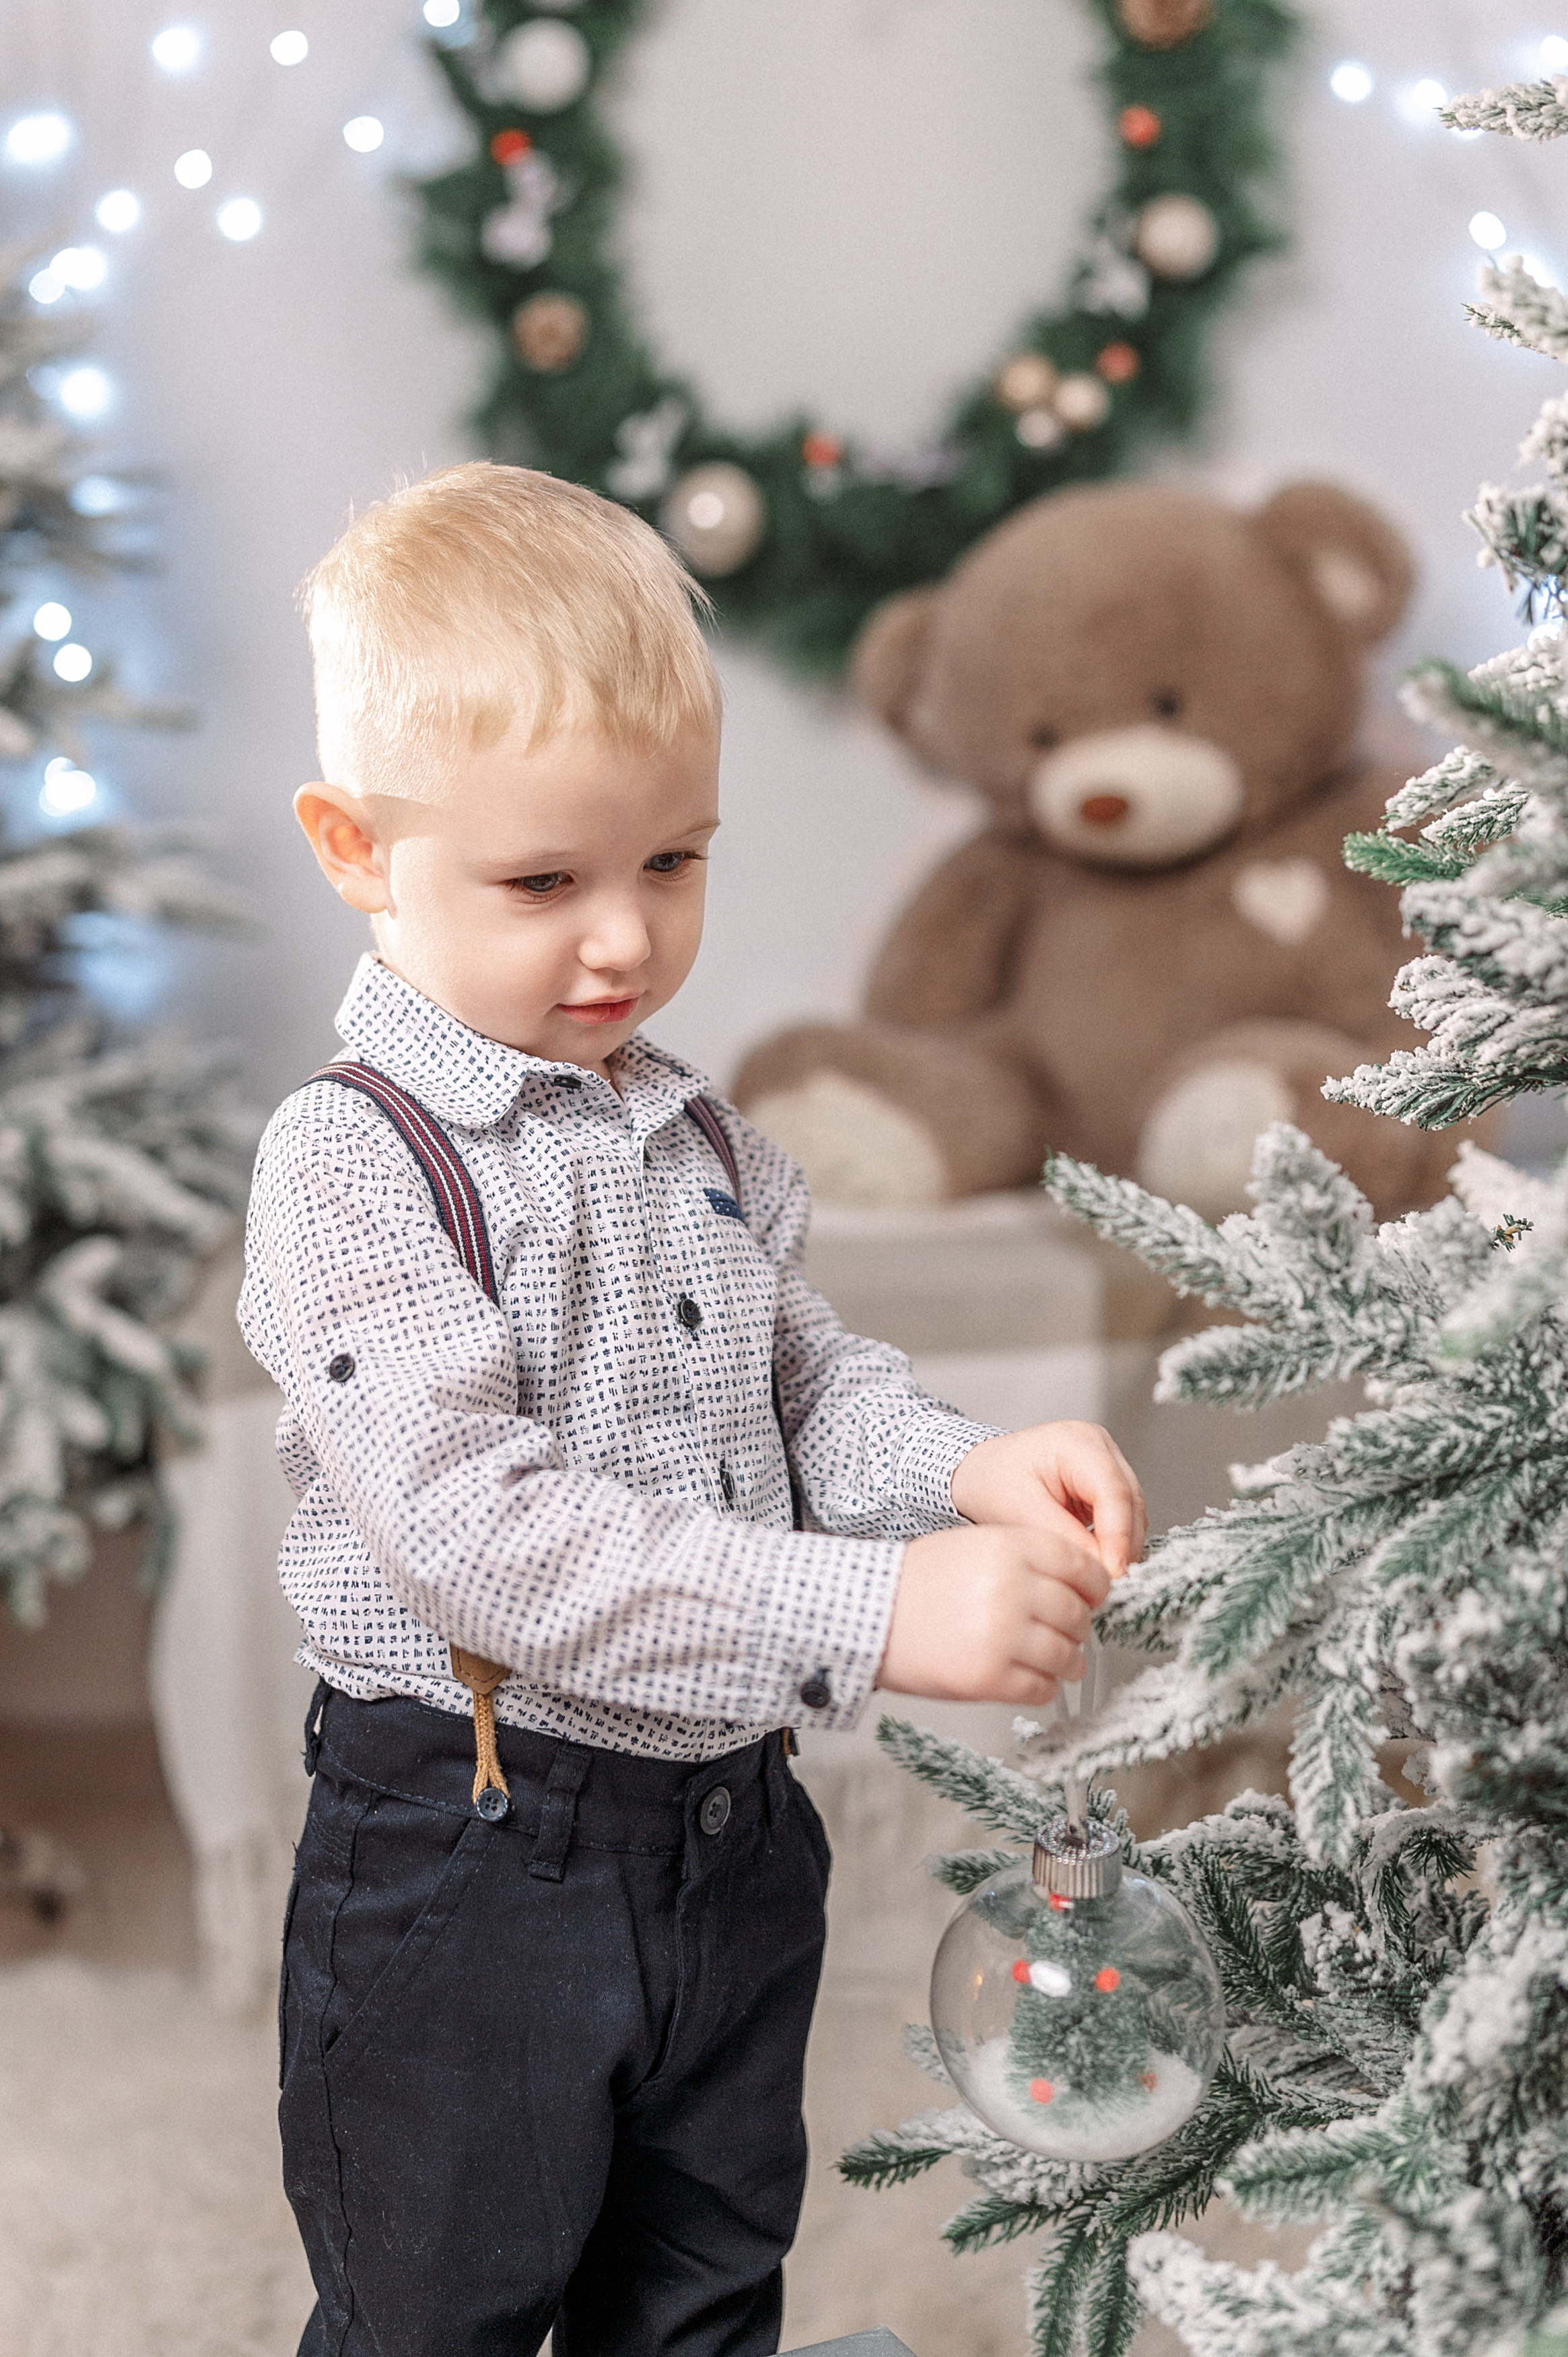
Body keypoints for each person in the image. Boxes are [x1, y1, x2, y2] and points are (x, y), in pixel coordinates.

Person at [240, 462, 1147, 2357]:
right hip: (476, 1856)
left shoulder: (687, 1121)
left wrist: (960, 1463)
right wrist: (876, 1610)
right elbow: (485, 1531)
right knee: (442, 2306)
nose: (622, 942)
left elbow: (795, 1373)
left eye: (673, 861)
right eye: (542, 881)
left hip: (727, 1834)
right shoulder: (355, 1166)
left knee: (703, 2285)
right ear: (354, 844)